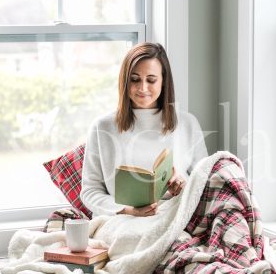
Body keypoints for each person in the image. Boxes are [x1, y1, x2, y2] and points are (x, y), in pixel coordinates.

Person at [80, 42, 208, 217]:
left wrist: (183, 184)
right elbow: (90, 192)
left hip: (175, 215)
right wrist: (127, 211)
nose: (142, 88)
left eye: (151, 80)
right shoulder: (102, 127)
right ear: (125, 81)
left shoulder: (187, 123)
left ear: (163, 82)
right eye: (134, 79)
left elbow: (205, 181)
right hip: (121, 220)